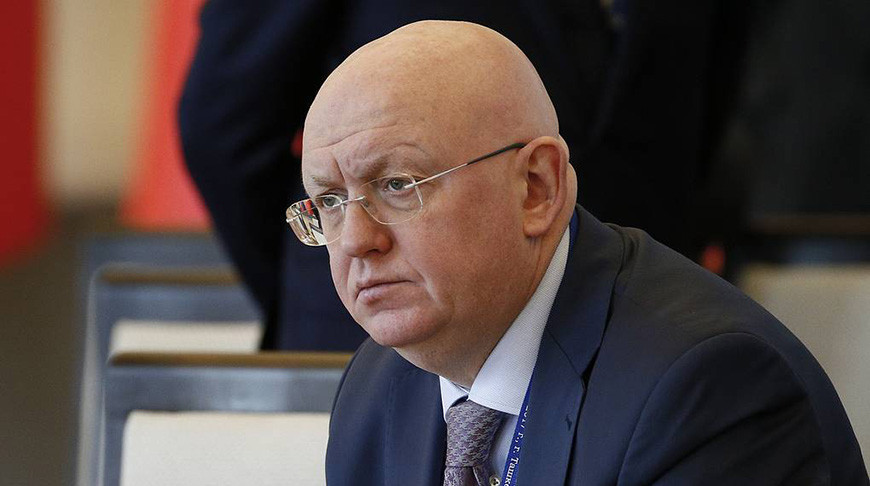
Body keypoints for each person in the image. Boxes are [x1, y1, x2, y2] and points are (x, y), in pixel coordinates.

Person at [289, 21, 868, 485]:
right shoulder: (378, 386)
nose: (357, 240)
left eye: (399, 185)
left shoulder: (704, 386)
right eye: (330, 201)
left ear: (536, 189)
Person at [180, 0, 749, 350]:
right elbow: (223, 129)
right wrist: (337, 265)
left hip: (634, 335)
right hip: (369, 349)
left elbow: (700, 118)